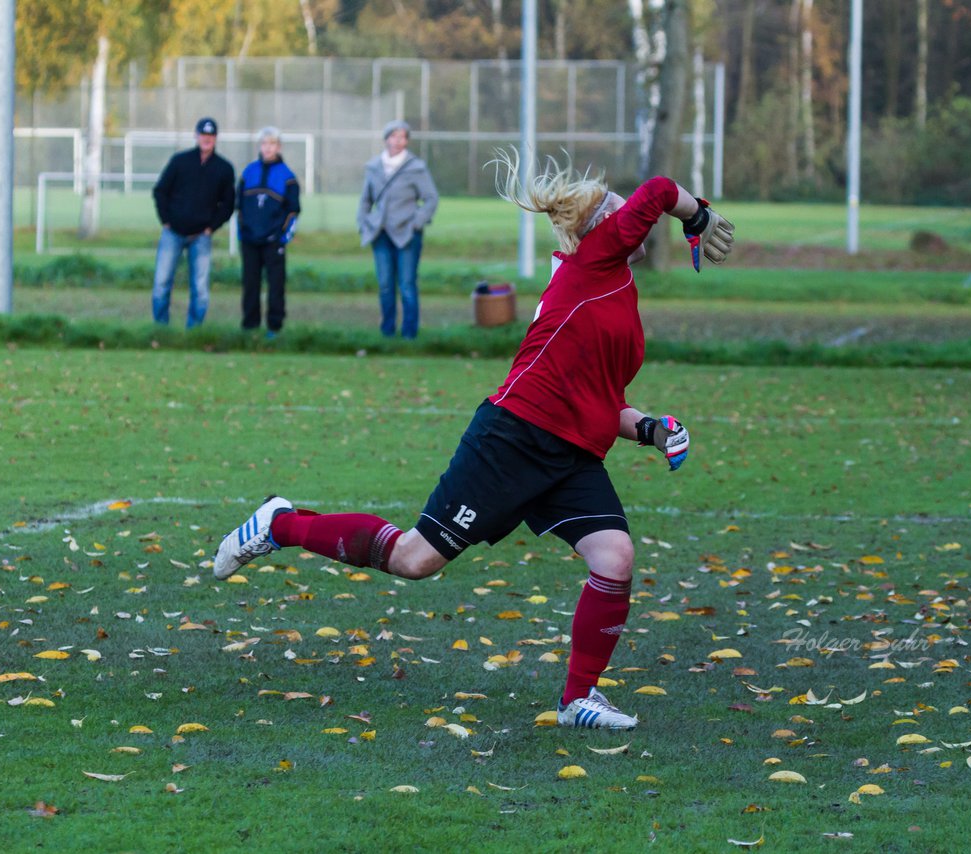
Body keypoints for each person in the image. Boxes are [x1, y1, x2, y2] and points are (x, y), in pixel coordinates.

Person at [215, 152, 734, 730]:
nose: (624, 215)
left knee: (614, 557)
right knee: (414, 560)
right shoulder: (594, 261)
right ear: (596, 230)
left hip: (570, 454)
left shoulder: (613, 282)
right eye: (612, 210)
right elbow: (661, 189)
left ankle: (578, 699)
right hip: (513, 441)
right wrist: (698, 216)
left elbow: (600, 396)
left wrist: (651, 430)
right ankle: (278, 523)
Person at [356, 119, 439, 339]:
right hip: (380, 234)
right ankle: (387, 333)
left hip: (407, 235)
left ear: (407, 141)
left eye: (402, 136)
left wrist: (416, 223)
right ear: (386, 139)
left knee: (407, 285)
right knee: (385, 286)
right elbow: (365, 200)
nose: (397, 140)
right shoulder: (373, 167)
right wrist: (364, 222)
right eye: (393, 136)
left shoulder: (416, 167)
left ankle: (409, 334)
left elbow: (431, 198)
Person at [151, 117, 235, 328]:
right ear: (196, 136)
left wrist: (211, 227)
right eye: (203, 135)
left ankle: (194, 331)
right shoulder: (180, 161)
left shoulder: (224, 168)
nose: (206, 140)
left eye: (211, 136)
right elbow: (160, 191)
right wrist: (166, 220)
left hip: (201, 237)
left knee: (200, 288)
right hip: (173, 233)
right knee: (161, 283)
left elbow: (228, 204)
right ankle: (161, 329)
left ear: (215, 138)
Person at [237, 126, 301, 338]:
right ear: (260, 146)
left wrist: (281, 237)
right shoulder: (249, 172)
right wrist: (243, 232)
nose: (268, 148)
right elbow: (239, 206)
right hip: (249, 240)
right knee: (250, 285)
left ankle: (274, 327)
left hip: (274, 241)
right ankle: (250, 327)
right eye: (264, 143)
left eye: (272, 144)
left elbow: (293, 211)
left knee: (275, 286)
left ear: (278, 147)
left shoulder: (288, 177)